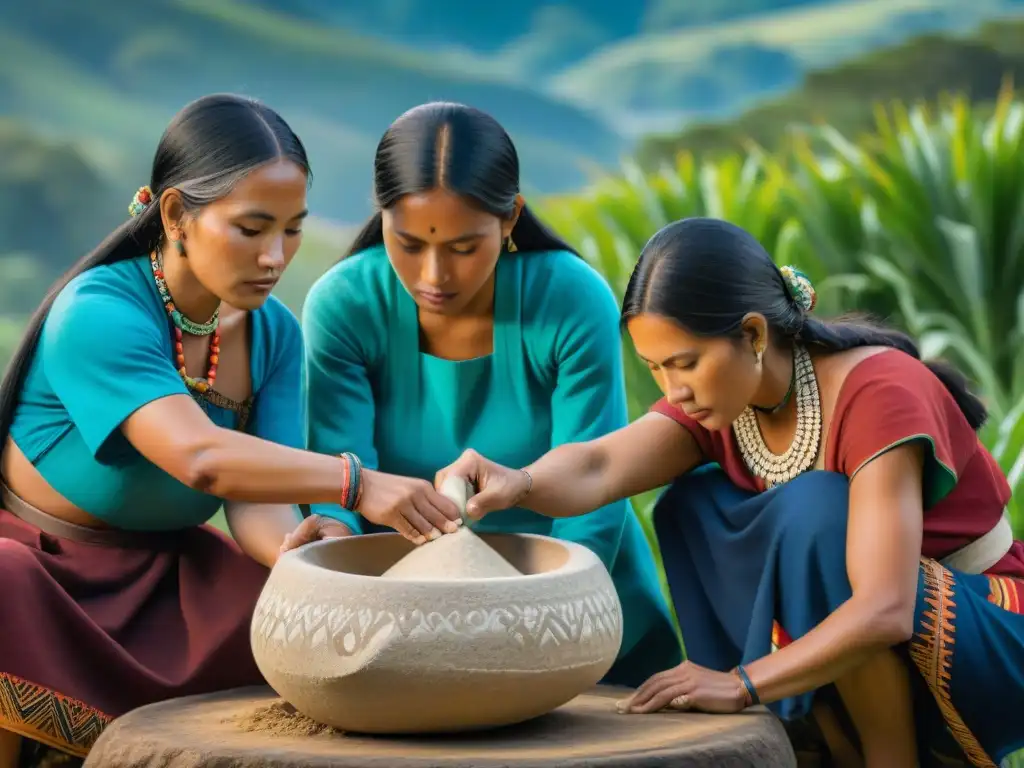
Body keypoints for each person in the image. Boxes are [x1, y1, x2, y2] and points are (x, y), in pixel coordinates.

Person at [436, 217, 1024, 768]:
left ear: (752, 333)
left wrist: (741, 682)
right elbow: (598, 465)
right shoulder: (729, 403)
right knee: (692, 505)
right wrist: (519, 482)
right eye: (655, 368)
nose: (674, 389)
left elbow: (887, 608)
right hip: (873, 635)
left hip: (979, 626)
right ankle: (818, 741)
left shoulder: (877, 393)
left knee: (815, 510)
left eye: (684, 363)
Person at [0, 94, 463, 768]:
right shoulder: (98, 312)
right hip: (43, 572)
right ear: (176, 215)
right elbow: (202, 460)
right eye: (251, 229)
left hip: (170, 575)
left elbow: (255, 499)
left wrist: (303, 547)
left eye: (293, 229)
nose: (276, 256)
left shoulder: (274, 334)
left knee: (297, 624)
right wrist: (355, 483)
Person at [300, 101, 683, 687]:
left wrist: (548, 621)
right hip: (398, 621)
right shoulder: (344, 306)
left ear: (510, 220)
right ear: (381, 219)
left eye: (462, 248)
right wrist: (332, 544)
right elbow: (341, 478)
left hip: (575, 605)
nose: (433, 276)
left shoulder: (569, 299)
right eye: (408, 244)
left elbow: (595, 489)